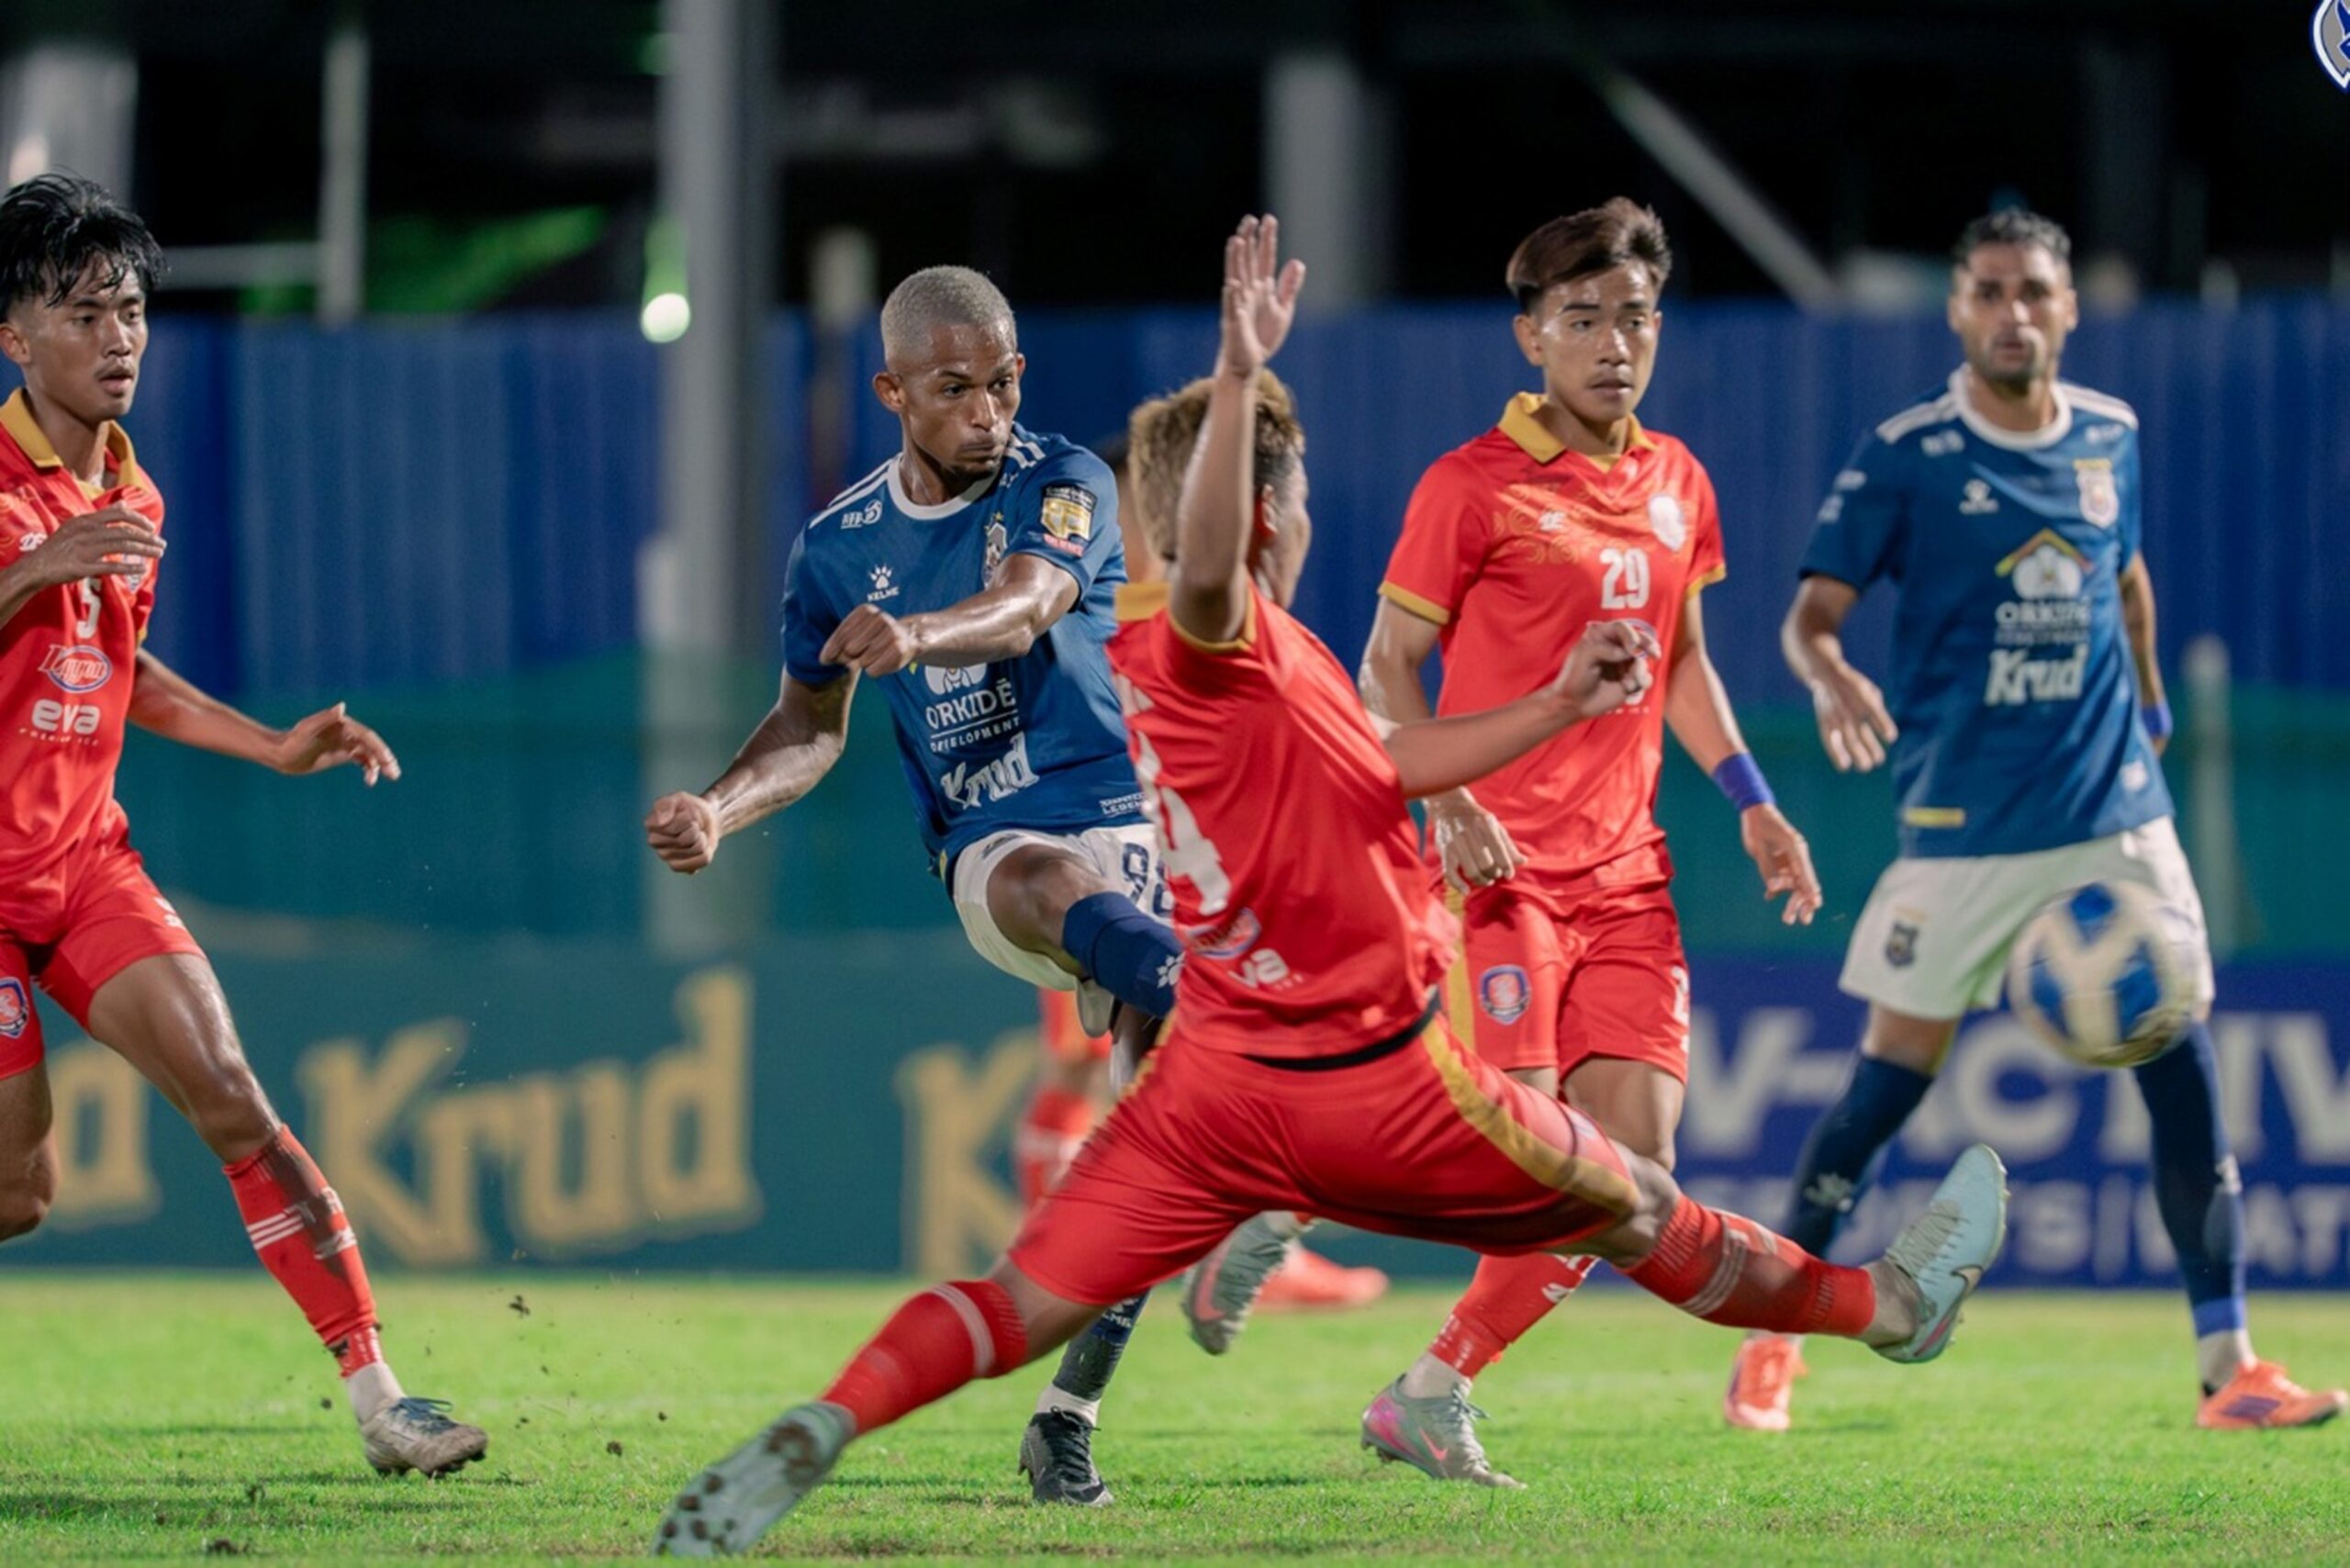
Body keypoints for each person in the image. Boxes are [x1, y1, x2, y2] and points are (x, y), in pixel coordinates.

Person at [650, 215, 2009, 1559]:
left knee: (1016, 1301)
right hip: (1374, 1071)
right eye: (1288, 503)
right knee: (1641, 1206)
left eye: (1006, 377)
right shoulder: (1223, 641)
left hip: (1218, 1095)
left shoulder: (1213, 627)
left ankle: (829, 1427)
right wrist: (1240, 375)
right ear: (1261, 515)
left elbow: (1384, 747)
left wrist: (1534, 716)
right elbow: (1114, 599)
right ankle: (1884, 1307)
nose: (994, 407)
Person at [1183, 198, 1823, 1485]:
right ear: (1532, 338)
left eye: (1634, 318)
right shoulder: (1470, 487)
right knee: (1524, 1159)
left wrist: (1752, 797)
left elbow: (1683, 664)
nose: (1613, 345)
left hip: (1630, 879)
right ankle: (1286, 1186)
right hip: (1498, 875)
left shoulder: (1677, 483)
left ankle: (1429, 1389)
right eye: (1582, 320)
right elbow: (1385, 669)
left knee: (1632, 1173)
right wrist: (1452, 801)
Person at [643, 266, 1271, 1509]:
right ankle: (1265, 1118)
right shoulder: (838, 551)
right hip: (998, 856)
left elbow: (1034, 605)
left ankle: (1066, 1416)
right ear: (892, 392)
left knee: (1169, 1127)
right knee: (1063, 889)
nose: (987, 411)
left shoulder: (1063, 483)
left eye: (1003, 382)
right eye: (954, 389)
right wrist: (719, 805)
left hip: (1146, 831)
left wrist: (918, 636)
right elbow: (806, 726)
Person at [1722, 207, 2345, 1434]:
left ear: (2069, 307)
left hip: (2114, 806)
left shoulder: (2110, 431)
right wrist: (1828, 669)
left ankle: (2231, 1369)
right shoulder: (1906, 451)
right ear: (1958, 310)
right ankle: (1771, 1342)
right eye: (1992, 292)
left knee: (2184, 1060)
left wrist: (2153, 699)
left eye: (2036, 292)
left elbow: (2123, 576)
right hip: (1963, 825)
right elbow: (1811, 611)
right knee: (1885, 1087)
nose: (2015, 313)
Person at [0, 174, 486, 1477]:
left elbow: (122, 671)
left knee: (234, 1100)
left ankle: (386, 1402)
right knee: (21, 1192)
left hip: (83, 861)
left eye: (134, 310)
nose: (120, 338)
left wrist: (270, 745)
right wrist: (27, 573)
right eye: (86, 310)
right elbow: (41, 597)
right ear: (14, 336)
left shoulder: (133, 499)